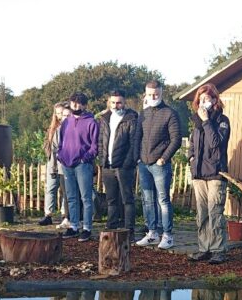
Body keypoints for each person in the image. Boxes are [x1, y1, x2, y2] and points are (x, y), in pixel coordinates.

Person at [187, 84, 232, 264]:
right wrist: (190, 158)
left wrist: (206, 121)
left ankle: (218, 249)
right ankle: (203, 248)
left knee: (215, 212)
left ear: (215, 100)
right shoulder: (196, 122)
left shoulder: (222, 120)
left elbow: (215, 143)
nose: (203, 103)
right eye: (201, 99)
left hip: (215, 173)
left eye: (207, 99)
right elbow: (192, 143)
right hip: (199, 173)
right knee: (202, 213)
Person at [136, 80, 182, 249]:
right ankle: (152, 233)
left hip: (160, 164)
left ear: (161, 93)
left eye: (155, 94)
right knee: (147, 200)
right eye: (149, 94)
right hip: (144, 163)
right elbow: (137, 137)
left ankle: (168, 235)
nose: (152, 97)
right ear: (145, 94)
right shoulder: (144, 113)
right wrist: (137, 157)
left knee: (163, 200)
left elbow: (176, 139)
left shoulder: (170, 113)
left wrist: (164, 157)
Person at [97, 91, 141, 232]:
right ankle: (111, 226)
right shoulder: (104, 118)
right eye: (113, 102)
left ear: (124, 102)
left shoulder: (131, 118)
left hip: (123, 166)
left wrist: (128, 162)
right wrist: (102, 159)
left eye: (119, 102)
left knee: (127, 199)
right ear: (109, 102)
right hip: (107, 165)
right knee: (111, 199)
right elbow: (100, 141)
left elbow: (134, 142)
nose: (116, 105)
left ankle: (129, 229)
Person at [58, 92, 100, 241]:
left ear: (84, 105)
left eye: (79, 103)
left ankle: (87, 228)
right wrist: (60, 155)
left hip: (83, 165)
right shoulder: (66, 122)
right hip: (67, 164)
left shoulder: (91, 122)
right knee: (71, 197)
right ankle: (73, 226)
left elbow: (95, 146)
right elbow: (61, 141)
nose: (76, 105)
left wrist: (84, 159)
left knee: (86, 198)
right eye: (73, 102)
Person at [38, 101, 73, 229]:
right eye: (57, 113)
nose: (59, 116)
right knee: (50, 189)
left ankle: (65, 215)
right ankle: (48, 214)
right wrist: (50, 161)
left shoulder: (66, 127)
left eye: (61, 113)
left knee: (65, 191)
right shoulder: (53, 128)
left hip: (62, 164)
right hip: (52, 162)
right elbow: (49, 146)